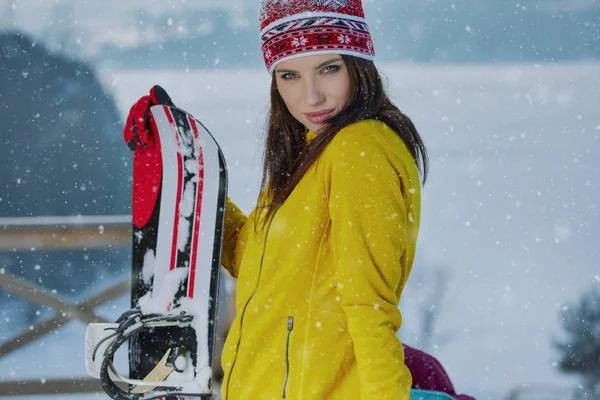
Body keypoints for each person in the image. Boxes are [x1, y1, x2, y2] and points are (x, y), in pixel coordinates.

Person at [125, 0, 430, 399]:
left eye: (329, 69)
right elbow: (247, 257)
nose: (311, 97)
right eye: (289, 75)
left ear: (360, 64)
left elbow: (369, 306)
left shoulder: (359, 150)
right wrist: (184, 163)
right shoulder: (312, 154)